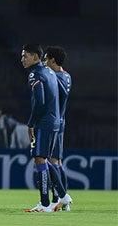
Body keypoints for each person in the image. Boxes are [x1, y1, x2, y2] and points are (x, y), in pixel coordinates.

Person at [20, 44, 71, 213]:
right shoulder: (50, 72)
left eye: (25, 56)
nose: (22, 59)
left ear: (36, 57)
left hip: (44, 123)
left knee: (40, 159)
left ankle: (44, 204)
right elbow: (63, 94)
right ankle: (63, 196)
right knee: (47, 160)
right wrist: (59, 115)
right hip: (55, 121)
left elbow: (40, 101)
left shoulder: (36, 74)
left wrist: (31, 123)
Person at [43, 46, 72, 211]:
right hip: (61, 121)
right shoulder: (67, 76)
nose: (45, 62)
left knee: (50, 161)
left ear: (53, 60)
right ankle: (62, 201)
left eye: (46, 59)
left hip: (53, 122)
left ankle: (59, 199)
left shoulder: (55, 77)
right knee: (58, 162)